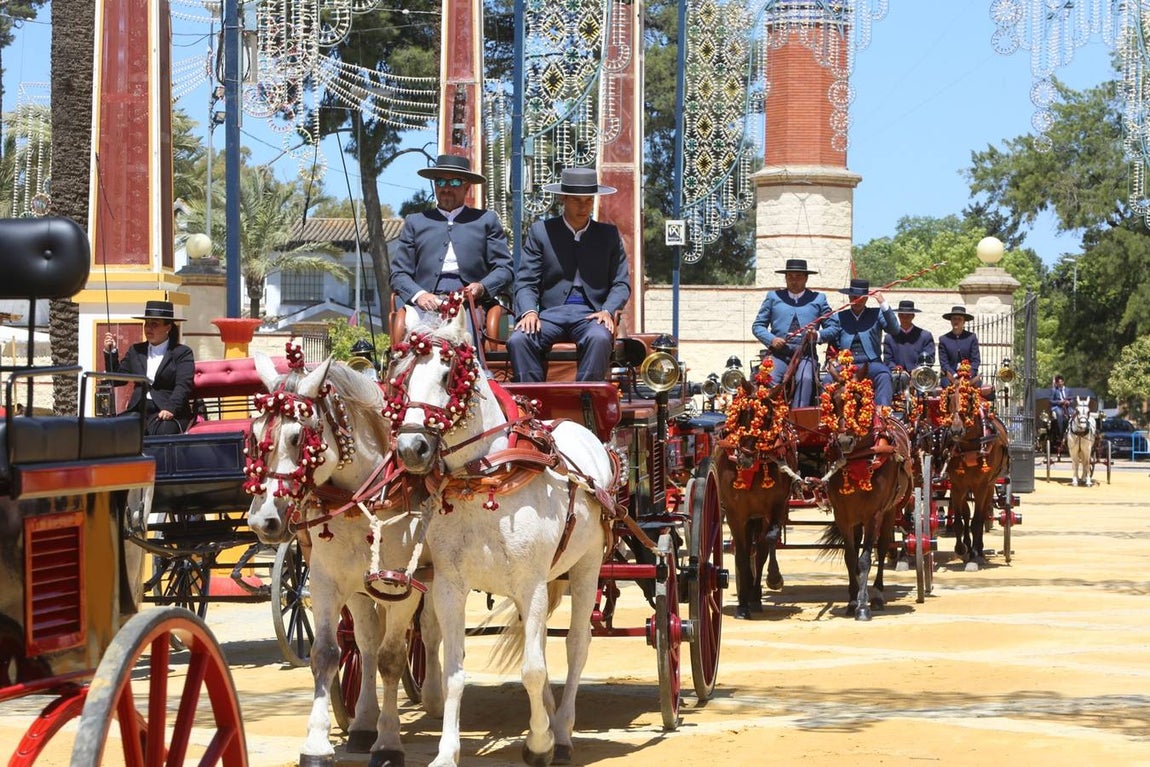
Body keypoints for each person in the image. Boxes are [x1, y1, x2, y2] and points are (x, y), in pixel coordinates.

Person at [508, 167, 631, 382]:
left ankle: (586, 401)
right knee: (519, 339)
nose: (584, 207)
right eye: (577, 200)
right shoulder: (541, 232)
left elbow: (621, 284)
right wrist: (528, 311)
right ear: (563, 198)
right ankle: (532, 404)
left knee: (599, 337)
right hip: (550, 315)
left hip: (591, 314)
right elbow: (526, 282)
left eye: (588, 201)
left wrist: (608, 311)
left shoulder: (608, 235)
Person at [389, 153, 514, 322]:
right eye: (440, 181)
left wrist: (481, 287)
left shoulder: (485, 220)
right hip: (425, 304)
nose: (446, 188)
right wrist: (419, 295)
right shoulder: (416, 222)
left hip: (470, 304)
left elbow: (504, 268)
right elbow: (398, 273)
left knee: (466, 338)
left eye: (454, 182)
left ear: (467, 186)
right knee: (411, 337)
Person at [103, 300, 195, 435]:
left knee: (165, 430)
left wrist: (170, 409)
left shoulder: (182, 352)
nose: (149, 328)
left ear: (168, 327)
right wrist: (110, 352)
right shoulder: (136, 350)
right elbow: (117, 379)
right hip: (138, 410)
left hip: (167, 411)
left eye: (154, 324)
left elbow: (183, 385)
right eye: (147, 324)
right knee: (116, 429)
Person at [751, 258, 833, 408]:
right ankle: (771, 421)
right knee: (769, 379)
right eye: (790, 277)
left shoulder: (819, 299)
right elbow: (758, 326)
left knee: (806, 378)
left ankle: (797, 418)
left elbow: (833, 328)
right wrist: (772, 339)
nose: (794, 281)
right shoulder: (773, 297)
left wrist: (817, 335)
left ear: (806, 278)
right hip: (779, 354)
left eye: (798, 277)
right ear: (785, 278)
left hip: (806, 355)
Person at [821, 278, 899, 406]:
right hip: (846, 366)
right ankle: (829, 417)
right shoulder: (839, 317)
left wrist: (882, 302)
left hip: (871, 364)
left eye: (860, 297)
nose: (856, 300)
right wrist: (817, 336)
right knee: (827, 380)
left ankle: (882, 414)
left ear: (867, 298)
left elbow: (894, 329)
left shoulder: (877, 314)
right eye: (853, 297)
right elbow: (830, 336)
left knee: (884, 375)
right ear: (849, 297)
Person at [883, 298, 936, 373]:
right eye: (902, 315)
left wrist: (917, 369)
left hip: (920, 376)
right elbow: (888, 360)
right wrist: (896, 369)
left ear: (913, 316)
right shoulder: (890, 337)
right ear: (898, 315)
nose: (904, 318)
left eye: (908, 315)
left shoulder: (925, 336)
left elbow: (929, 358)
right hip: (897, 376)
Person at [938, 305, 980, 384]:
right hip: (950, 377)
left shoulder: (971, 337)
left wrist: (969, 374)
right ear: (951, 321)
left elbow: (976, 360)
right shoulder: (943, 339)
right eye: (954, 319)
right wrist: (954, 375)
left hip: (969, 376)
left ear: (964, 321)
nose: (956, 321)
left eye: (959, 319)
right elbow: (944, 363)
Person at [1050, 374, 1071, 440]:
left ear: (1063, 382)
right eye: (1058, 382)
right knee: (1060, 414)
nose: (1060, 384)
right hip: (1057, 407)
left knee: (1074, 413)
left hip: (1067, 407)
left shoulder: (1068, 390)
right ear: (1056, 383)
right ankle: (1061, 432)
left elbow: (1072, 399)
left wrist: (1069, 402)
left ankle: (1072, 431)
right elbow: (1051, 401)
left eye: (1061, 382)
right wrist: (1059, 402)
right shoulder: (1054, 390)